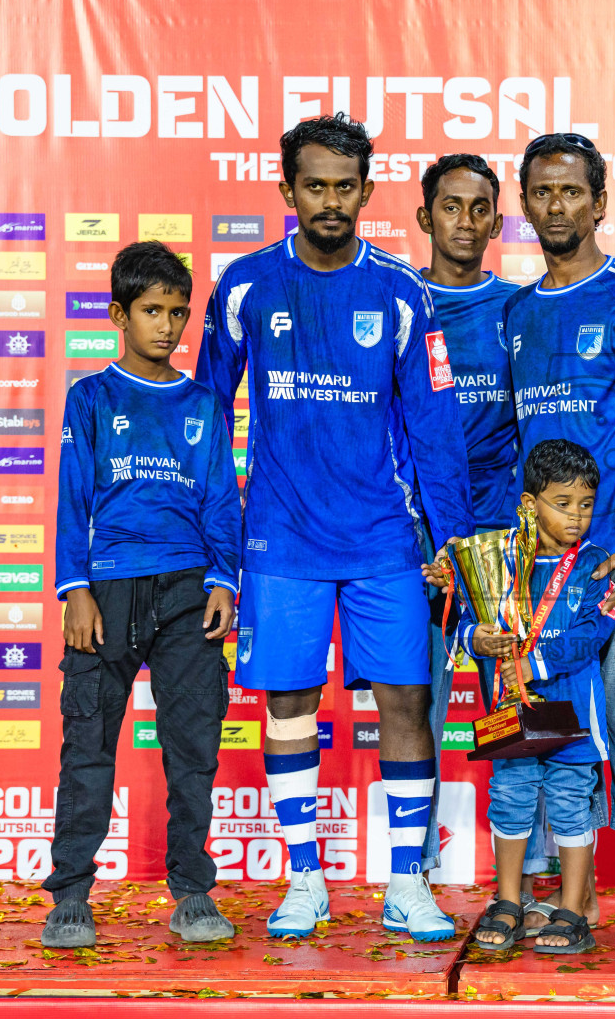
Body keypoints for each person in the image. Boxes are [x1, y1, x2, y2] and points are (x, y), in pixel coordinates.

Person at [195, 113, 473, 941]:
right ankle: (304, 879)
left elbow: (432, 425)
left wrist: (453, 544)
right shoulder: (246, 285)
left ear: (365, 192)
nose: (329, 201)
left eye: (344, 187)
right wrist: (217, 554)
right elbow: (207, 420)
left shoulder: (400, 293)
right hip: (280, 540)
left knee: (406, 702)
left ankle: (405, 882)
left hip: (383, 537)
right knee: (286, 703)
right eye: (313, 186)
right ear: (287, 189)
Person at [503, 133, 615, 950]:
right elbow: (516, 448)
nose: (556, 207)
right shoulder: (515, 311)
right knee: (544, 726)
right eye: (541, 193)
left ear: (599, 202)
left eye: (572, 192)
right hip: (541, 576)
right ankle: (557, 890)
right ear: (526, 205)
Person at [43, 241, 242, 946]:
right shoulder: (91, 397)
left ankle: (193, 895)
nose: (167, 325)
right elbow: (72, 499)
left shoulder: (202, 403)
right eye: (152, 311)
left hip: (190, 590)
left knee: (193, 747)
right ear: (118, 315)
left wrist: (224, 579)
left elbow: (222, 499)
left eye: (178, 312)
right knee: (89, 743)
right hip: (109, 590)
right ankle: (69, 895)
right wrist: (76, 589)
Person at [424, 439, 615, 954]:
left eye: (586, 504)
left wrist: (537, 662)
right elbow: (466, 617)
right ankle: (509, 901)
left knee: (571, 805)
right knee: (510, 801)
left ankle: (572, 910)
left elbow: (593, 631)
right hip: (512, 711)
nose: (576, 516)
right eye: (562, 503)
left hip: (573, 711)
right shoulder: (499, 556)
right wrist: (475, 641)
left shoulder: (596, 564)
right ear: (530, 504)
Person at [413, 153, 522, 880]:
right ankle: (410, 866)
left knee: (513, 695)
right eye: (449, 206)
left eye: (478, 208)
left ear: (495, 220)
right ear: (426, 217)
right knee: (411, 699)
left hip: (499, 531)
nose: (464, 221)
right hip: (416, 530)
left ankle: (533, 867)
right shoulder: (396, 301)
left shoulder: (518, 307)